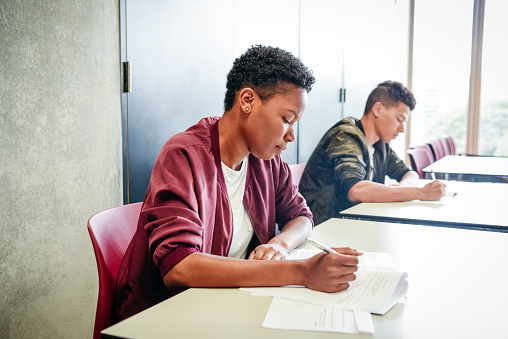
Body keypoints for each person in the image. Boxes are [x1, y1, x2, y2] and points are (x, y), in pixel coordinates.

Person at [115, 45, 363, 321]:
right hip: (168, 315)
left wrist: (280, 245)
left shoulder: (266, 161)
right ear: (247, 100)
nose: (291, 136)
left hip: (227, 305)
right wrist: (300, 272)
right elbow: (180, 267)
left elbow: (302, 217)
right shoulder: (183, 156)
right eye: (286, 119)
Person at [299, 81, 446, 225]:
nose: (402, 129)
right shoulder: (346, 136)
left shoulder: (380, 145)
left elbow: (409, 173)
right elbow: (356, 190)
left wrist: (403, 188)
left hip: (353, 225)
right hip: (324, 228)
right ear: (378, 109)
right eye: (399, 119)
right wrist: (420, 193)